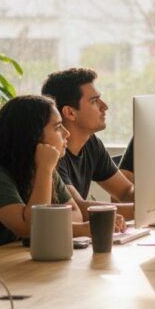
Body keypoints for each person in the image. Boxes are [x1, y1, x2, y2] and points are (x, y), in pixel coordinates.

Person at [0, 95, 125, 251]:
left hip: (24, 257)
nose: (66, 133)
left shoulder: (42, 169)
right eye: (58, 127)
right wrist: (85, 229)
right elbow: (32, 228)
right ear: (32, 135)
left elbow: (76, 214)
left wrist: (79, 226)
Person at [41, 67, 135, 221]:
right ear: (70, 112)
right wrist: (147, 209)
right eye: (94, 101)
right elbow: (79, 209)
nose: (105, 106)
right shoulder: (52, 150)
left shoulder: (91, 143)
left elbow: (126, 191)